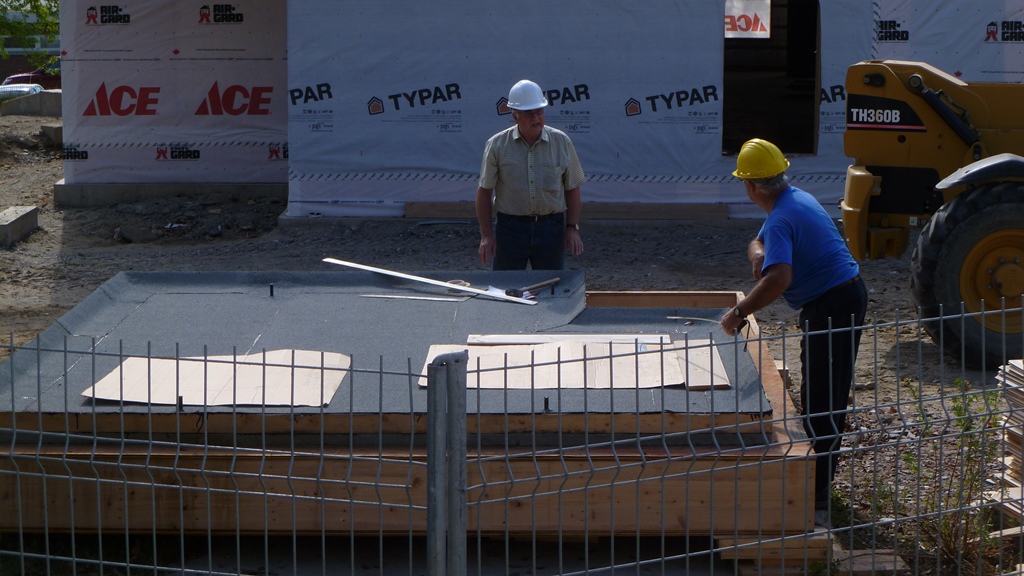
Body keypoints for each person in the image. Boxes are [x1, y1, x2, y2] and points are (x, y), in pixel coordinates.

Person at [719, 138, 868, 528]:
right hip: (839, 298)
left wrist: (739, 312)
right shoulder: (793, 200)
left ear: (750, 187)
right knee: (821, 393)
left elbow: (779, 278)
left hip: (834, 304)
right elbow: (761, 240)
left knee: (823, 401)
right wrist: (758, 254)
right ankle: (816, 485)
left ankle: (817, 497)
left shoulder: (784, 215)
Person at [475, 79, 585, 270]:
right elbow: (484, 192)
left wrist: (571, 228)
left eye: (540, 112)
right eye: (529, 113)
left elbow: (572, 187)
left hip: (551, 229)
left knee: (551, 289)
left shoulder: (561, 142)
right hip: (510, 230)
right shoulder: (497, 145)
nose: (536, 118)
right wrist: (486, 235)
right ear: (514, 115)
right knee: (506, 289)